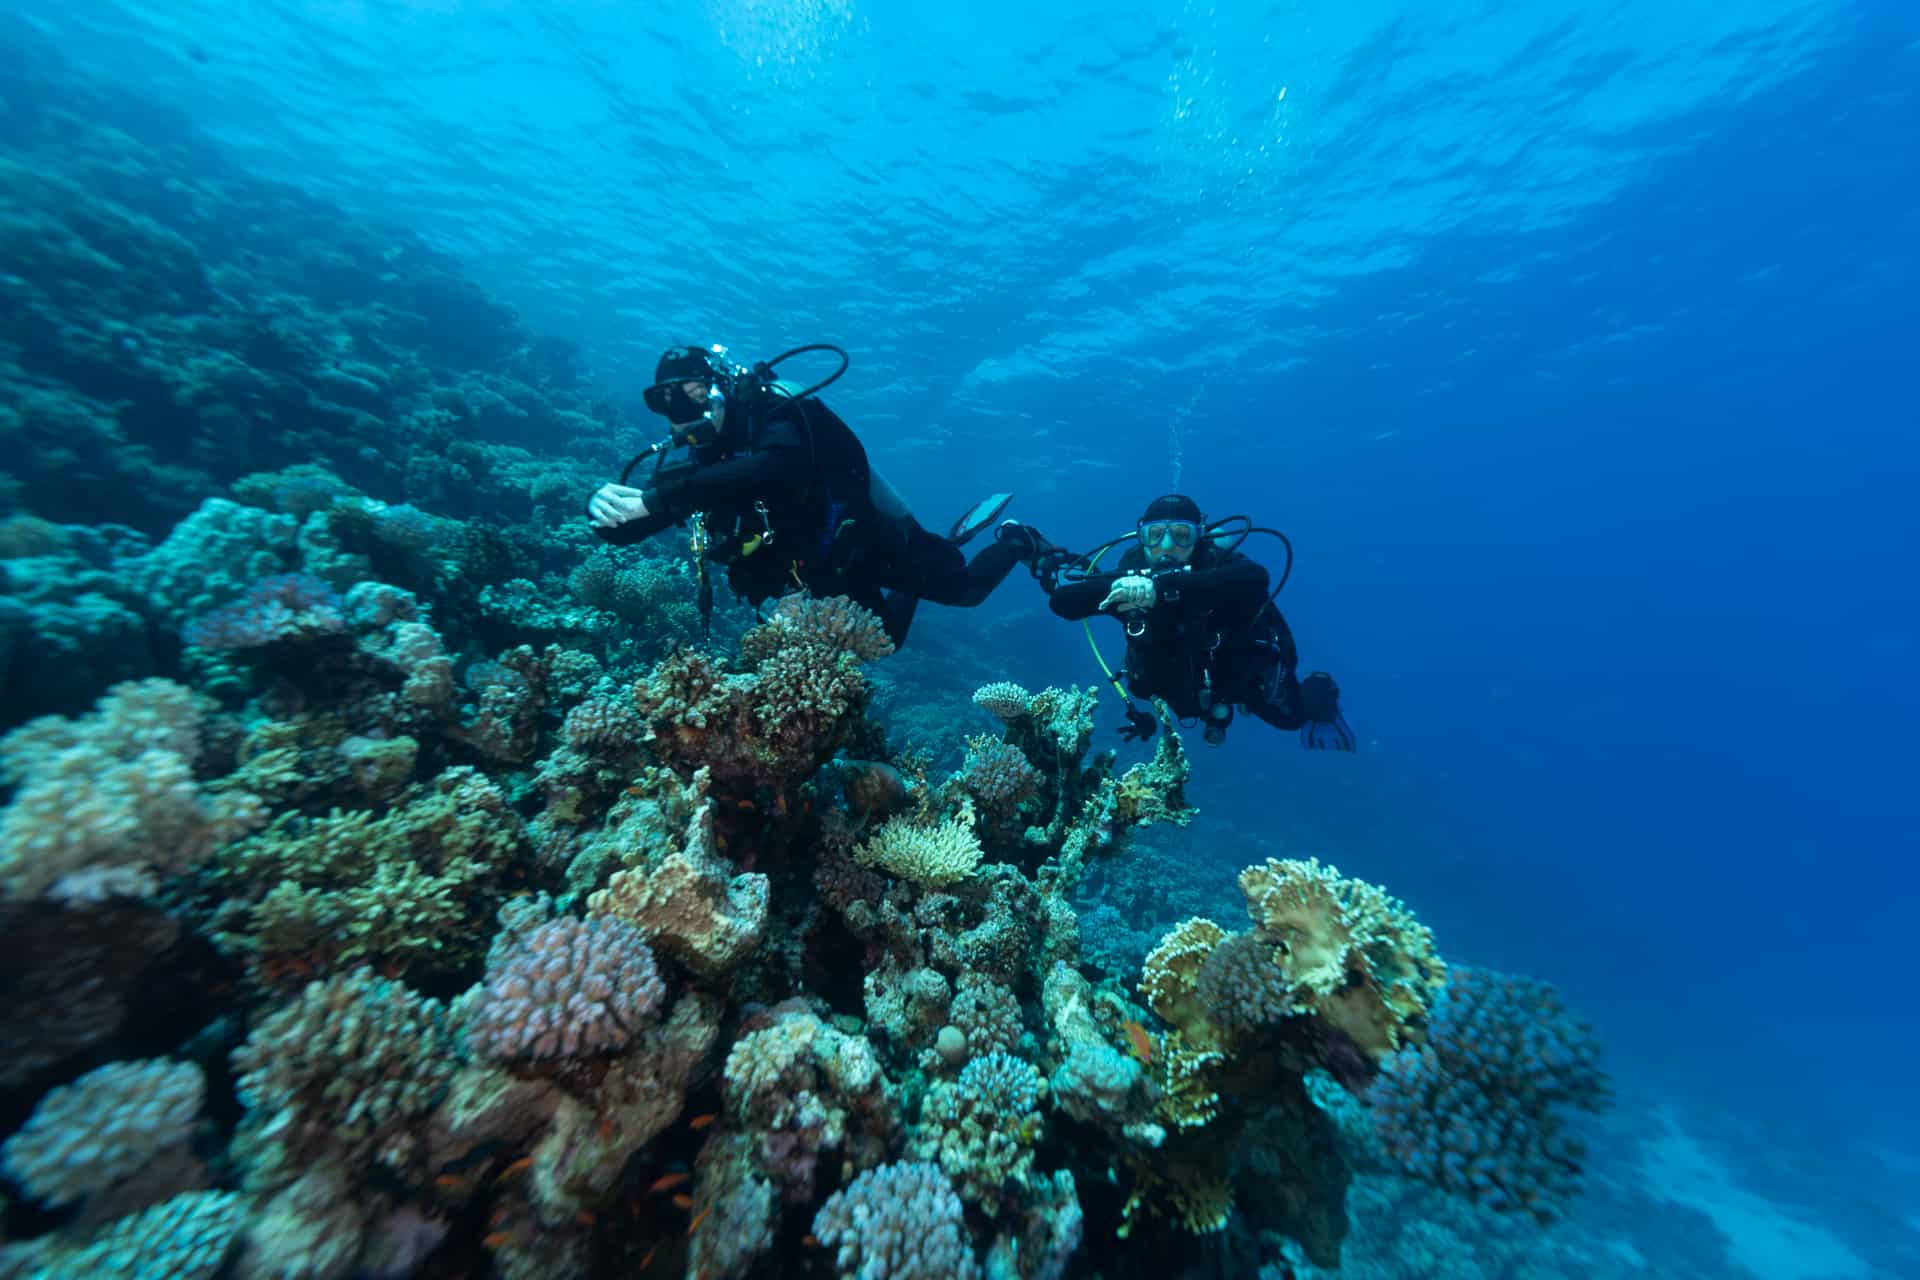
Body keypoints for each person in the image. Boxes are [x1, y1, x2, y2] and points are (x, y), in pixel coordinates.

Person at [588, 343, 1042, 647]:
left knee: (965, 591)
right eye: (666, 405)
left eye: (693, 395)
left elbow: (774, 468)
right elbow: (639, 522)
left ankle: (1017, 540)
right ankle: (930, 567)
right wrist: (607, 514)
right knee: (887, 642)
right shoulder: (702, 468)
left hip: (870, 540)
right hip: (816, 569)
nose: (682, 416)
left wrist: (659, 498)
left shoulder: (780, 416)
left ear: (723, 391)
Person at [1033, 493, 1355, 750]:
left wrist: (1160, 588)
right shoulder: (1129, 576)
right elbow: (1063, 603)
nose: (1167, 547)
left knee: (1293, 719)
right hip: (1169, 681)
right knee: (1146, 686)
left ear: (1198, 539)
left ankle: (1321, 688)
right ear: (1141, 537)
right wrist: (1124, 588)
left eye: (1182, 535)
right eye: (1155, 535)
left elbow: (1257, 578)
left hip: (1237, 679)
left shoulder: (1216, 565)